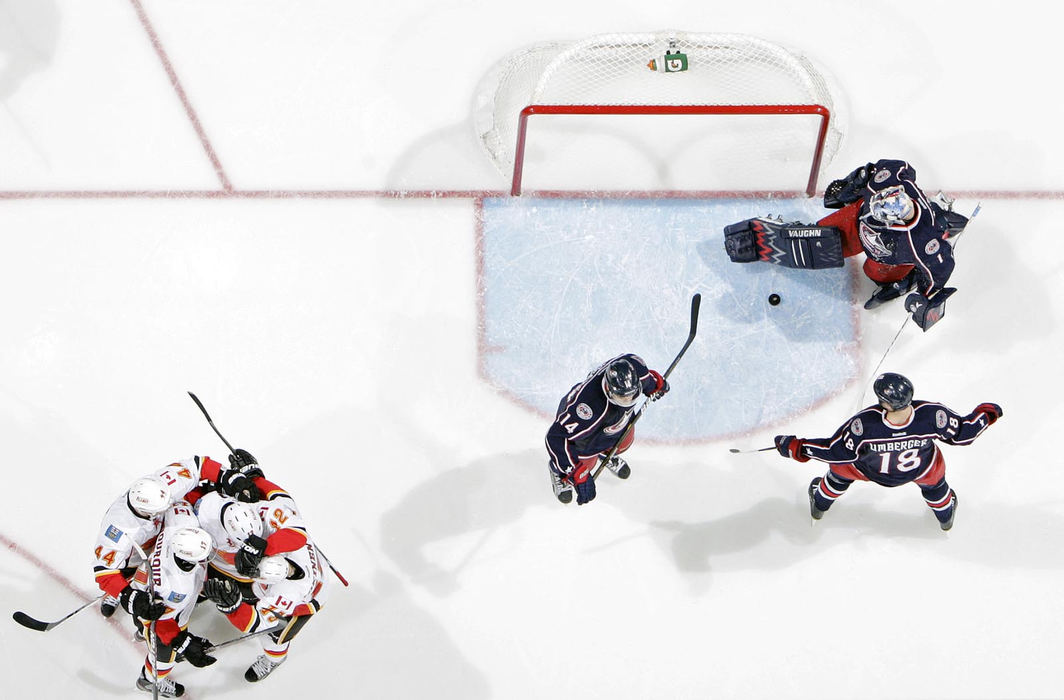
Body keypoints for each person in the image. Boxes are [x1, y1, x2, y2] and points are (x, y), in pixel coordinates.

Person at [773, 372, 1002, 530]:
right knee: (935, 482)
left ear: (886, 404)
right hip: (919, 469)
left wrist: (797, 447)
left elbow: (837, 451)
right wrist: (987, 413)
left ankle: (820, 505)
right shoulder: (932, 415)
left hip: (868, 470)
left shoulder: (866, 424)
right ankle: (945, 516)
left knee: (840, 470)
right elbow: (965, 433)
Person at [92, 455, 264, 618]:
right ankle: (119, 591)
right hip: (138, 547)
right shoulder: (117, 530)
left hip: (169, 525)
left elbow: (199, 465)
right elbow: (104, 571)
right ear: (144, 510)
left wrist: (228, 477)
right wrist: (128, 596)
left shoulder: (164, 484)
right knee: (130, 567)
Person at [818, 158, 970, 328]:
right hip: (857, 223)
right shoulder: (888, 181)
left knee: (873, 272)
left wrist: (924, 296)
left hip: (887, 257)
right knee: (823, 233)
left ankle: (908, 275)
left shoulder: (923, 240)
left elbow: (941, 269)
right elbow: (899, 167)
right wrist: (856, 180)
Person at [544, 354, 669, 505]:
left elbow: (645, 378)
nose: (629, 400)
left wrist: (654, 385)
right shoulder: (588, 409)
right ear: (610, 390)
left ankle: (606, 454)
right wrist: (574, 472)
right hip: (583, 436)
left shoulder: (634, 368)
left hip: (612, 422)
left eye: (632, 395)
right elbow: (555, 437)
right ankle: (557, 470)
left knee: (624, 442)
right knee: (583, 467)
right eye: (623, 398)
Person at [124, 503, 217, 698]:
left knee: (148, 625)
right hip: (153, 614)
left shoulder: (181, 523)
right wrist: (183, 643)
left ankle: (142, 634)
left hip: (143, 592)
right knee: (165, 659)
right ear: (187, 560)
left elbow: (177, 503)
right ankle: (148, 681)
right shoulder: (175, 588)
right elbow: (160, 622)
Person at [201, 542, 328, 682]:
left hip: (306, 602)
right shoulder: (290, 549)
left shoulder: (285, 595)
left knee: (275, 635)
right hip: (312, 567)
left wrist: (231, 606)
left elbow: (256, 625)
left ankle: (274, 659)